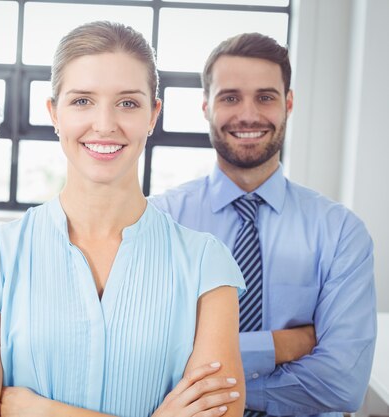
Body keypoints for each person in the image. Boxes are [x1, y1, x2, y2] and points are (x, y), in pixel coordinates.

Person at [0, 21, 246, 417]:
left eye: (128, 103)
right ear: (54, 113)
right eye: (83, 101)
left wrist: (41, 411)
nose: (104, 124)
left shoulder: (207, 266)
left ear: (153, 115)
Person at [150, 32, 376, 417]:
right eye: (230, 97)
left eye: (266, 97)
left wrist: (209, 392)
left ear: (288, 104)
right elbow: (148, 361)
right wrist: (278, 346)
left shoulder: (341, 232)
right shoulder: (161, 221)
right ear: (206, 106)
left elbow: (341, 384)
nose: (249, 114)